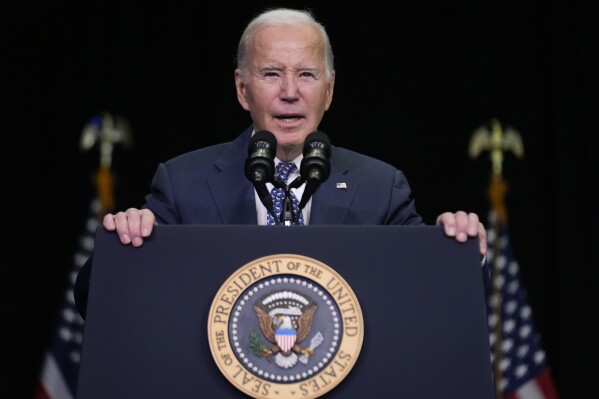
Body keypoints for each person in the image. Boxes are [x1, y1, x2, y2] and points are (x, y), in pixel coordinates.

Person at [74, 7, 487, 318]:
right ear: (242, 89)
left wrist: (462, 250)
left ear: (328, 91)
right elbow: (95, 299)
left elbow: (441, 296)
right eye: (271, 73)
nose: (290, 92)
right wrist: (123, 246)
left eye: (306, 75)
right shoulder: (184, 182)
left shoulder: (381, 187)